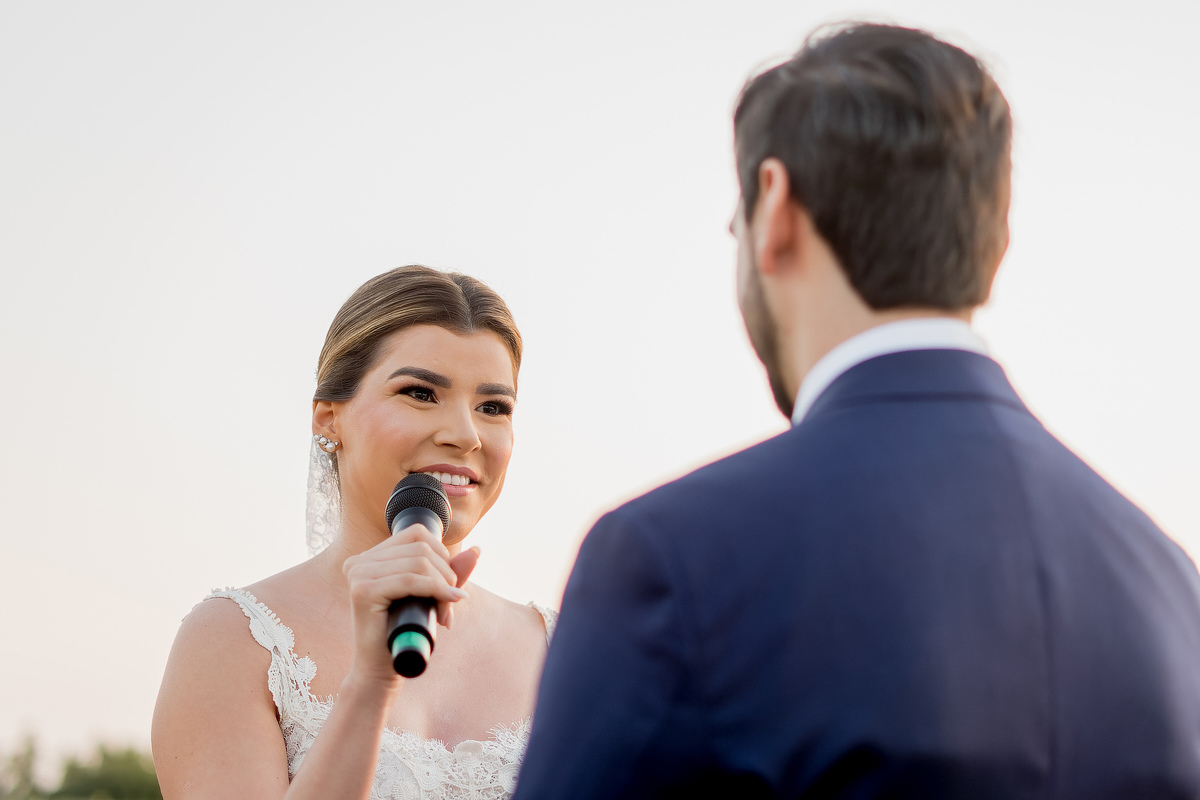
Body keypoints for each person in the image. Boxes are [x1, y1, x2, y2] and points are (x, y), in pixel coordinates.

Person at [513, 23, 1200, 800]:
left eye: (736, 225)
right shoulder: (1167, 581)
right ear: (998, 236)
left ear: (774, 207)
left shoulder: (669, 560)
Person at [153, 265, 554, 800]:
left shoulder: (563, 648)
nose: (465, 435)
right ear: (328, 418)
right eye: (420, 393)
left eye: (492, 407)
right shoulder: (234, 640)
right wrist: (369, 685)